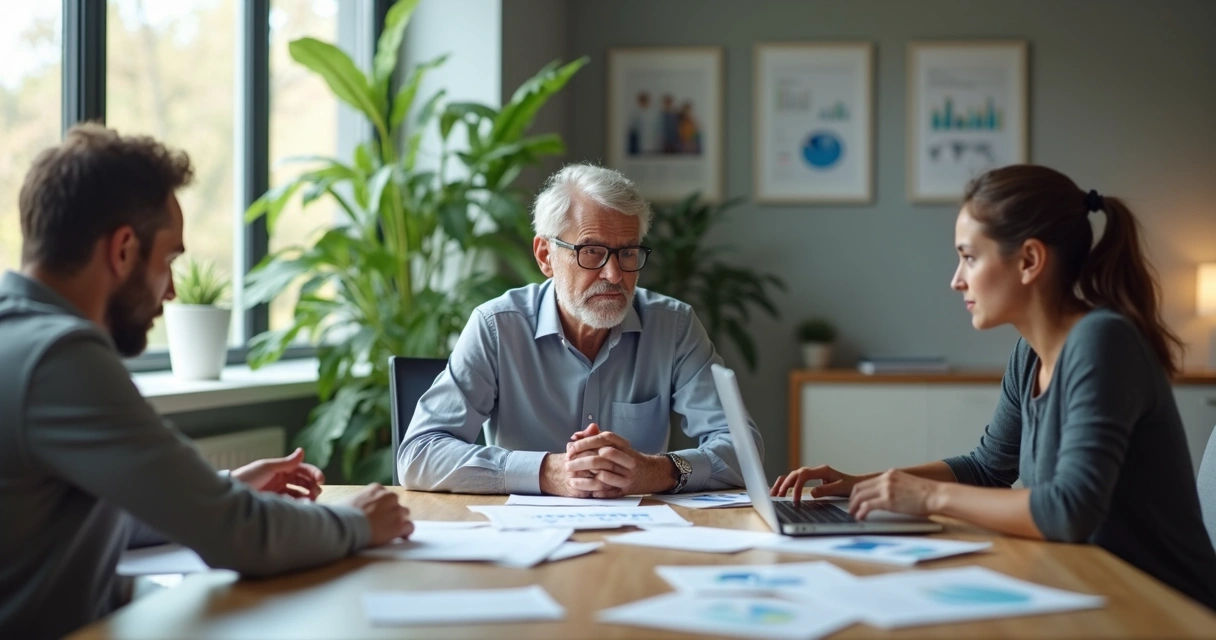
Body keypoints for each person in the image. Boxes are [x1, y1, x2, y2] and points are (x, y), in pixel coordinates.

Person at [0, 124, 414, 639]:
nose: (172, 291)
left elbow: (71, 526)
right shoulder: (58, 357)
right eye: (169, 260)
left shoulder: (18, 338)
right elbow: (241, 538)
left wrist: (220, 491)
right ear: (123, 249)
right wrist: (357, 522)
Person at [772, 164, 1216, 610]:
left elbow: (1068, 512)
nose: (956, 279)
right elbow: (988, 469)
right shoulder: (1030, 353)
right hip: (1094, 588)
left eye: (969, 257)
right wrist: (864, 484)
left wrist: (928, 496)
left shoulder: (1103, 342)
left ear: (1029, 261)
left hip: (1168, 606)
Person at [399, 163, 761, 497]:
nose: (614, 274)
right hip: (521, 542)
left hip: (638, 538)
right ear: (545, 256)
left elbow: (743, 450)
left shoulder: (674, 325)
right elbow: (419, 453)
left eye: (628, 253)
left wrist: (656, 471)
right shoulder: (497, 327)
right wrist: (545, 472)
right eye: (591, 252)